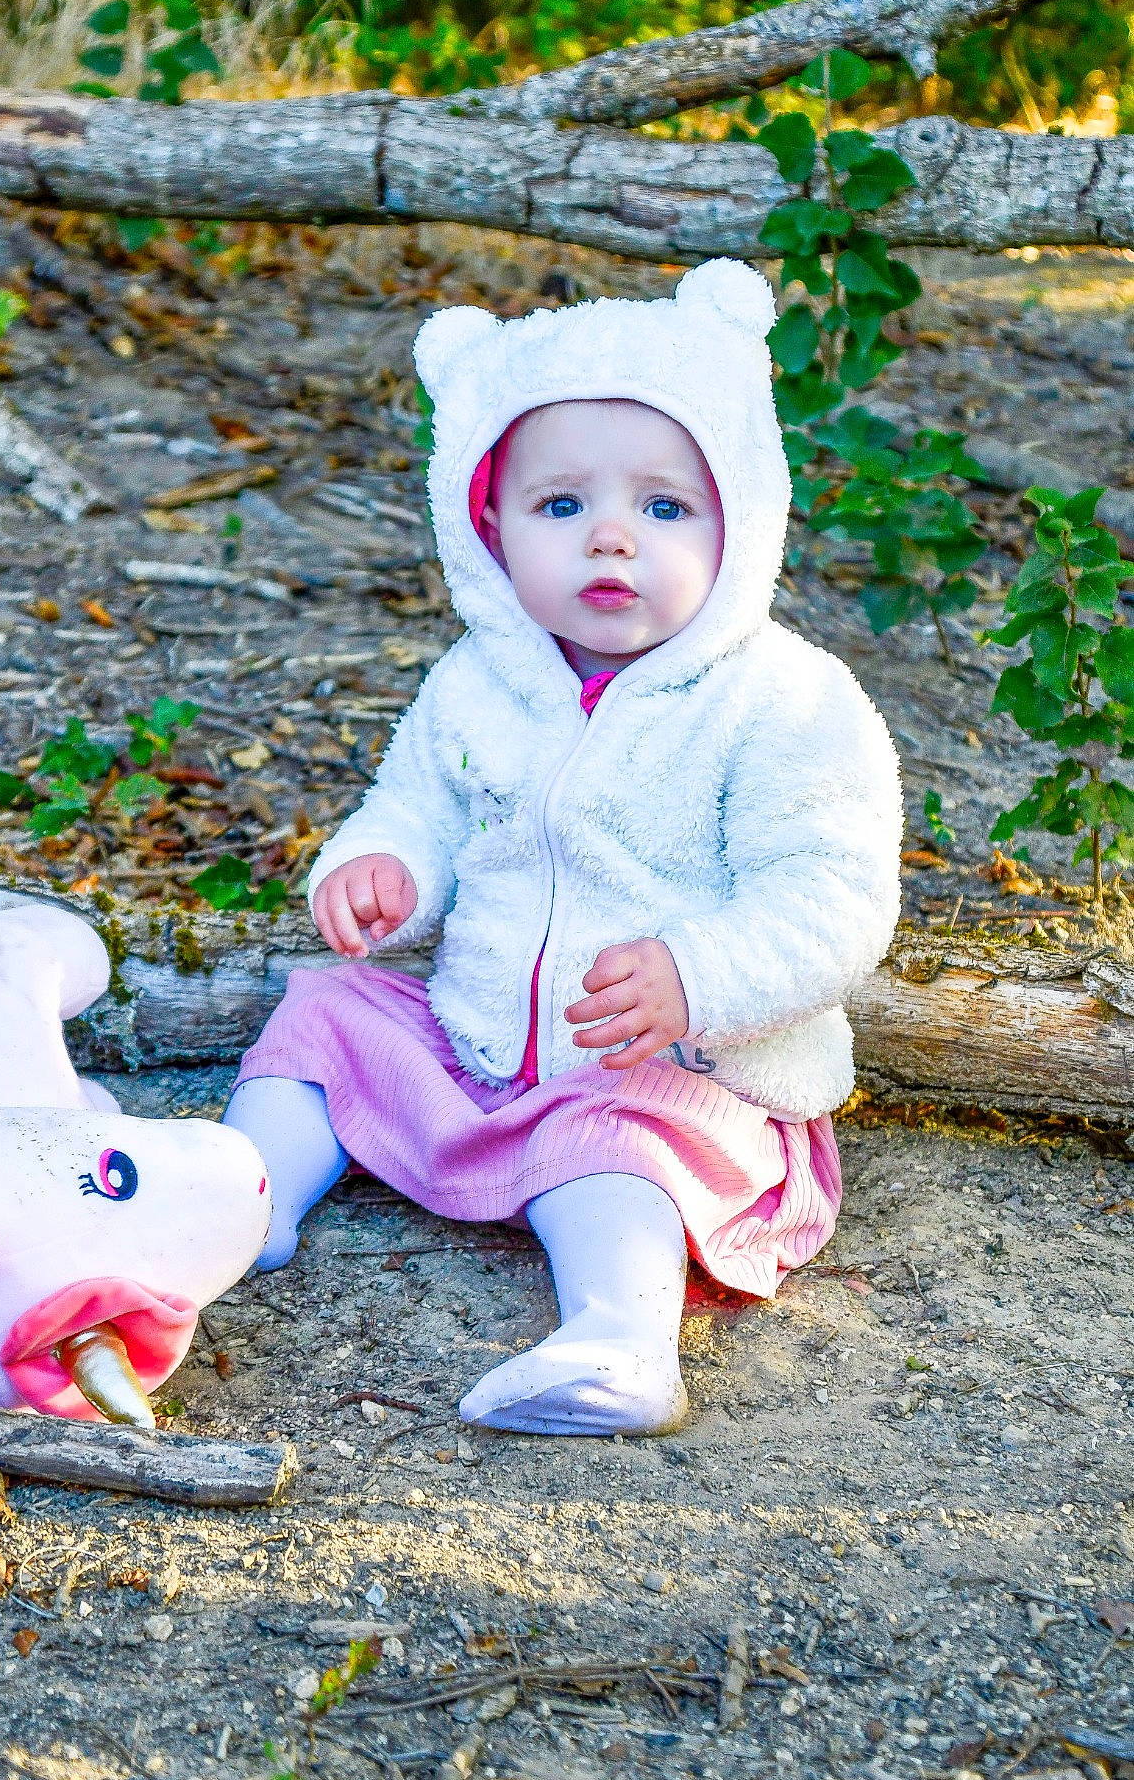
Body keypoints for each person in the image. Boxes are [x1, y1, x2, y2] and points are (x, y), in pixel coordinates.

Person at [226, 257, 902, 1437]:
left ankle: (620, 1337)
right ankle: (239, 1198)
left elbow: (833, 896)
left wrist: (700, 975)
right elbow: (418, 804)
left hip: (678, 1081)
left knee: (611, 1143)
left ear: (741, 512)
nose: (611, 540)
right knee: (327, 1006)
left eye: (662, 505)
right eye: (560, 506)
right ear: (485, 523)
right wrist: (384, 867)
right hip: (485, 1047)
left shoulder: (785, 700)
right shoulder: (480, 680)